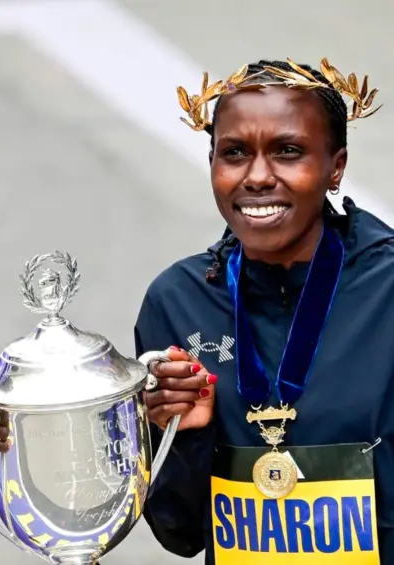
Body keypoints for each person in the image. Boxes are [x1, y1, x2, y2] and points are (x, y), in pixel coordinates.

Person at [135, 58, 393, 564]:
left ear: (335, 166)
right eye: (233, 153)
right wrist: (182, 435)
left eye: (288, 152)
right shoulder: (178, 300)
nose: (256, 177)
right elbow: (180, 533)